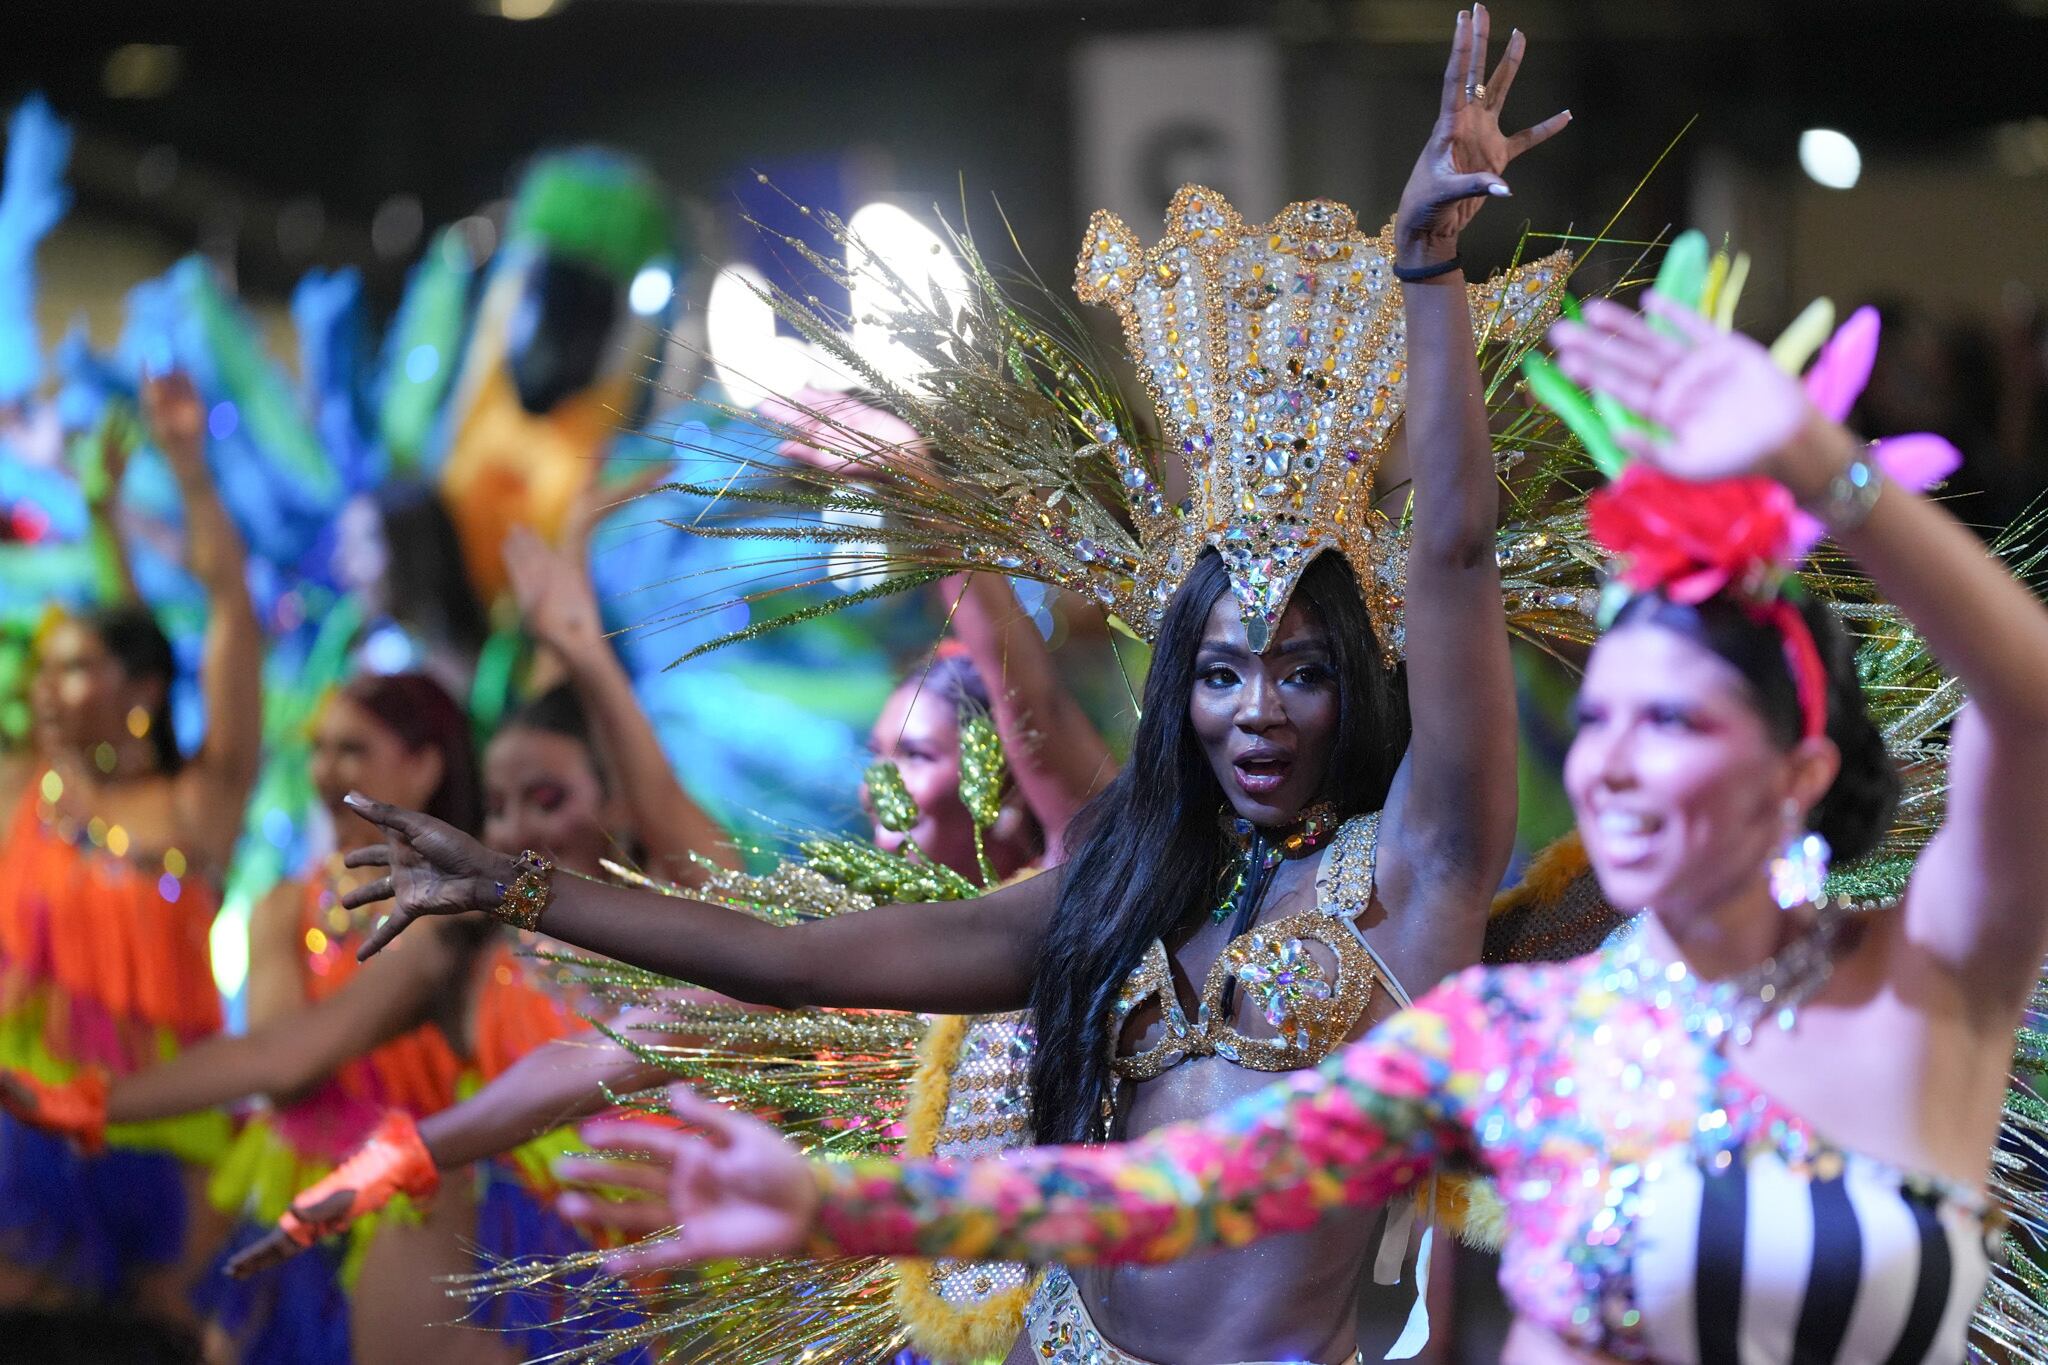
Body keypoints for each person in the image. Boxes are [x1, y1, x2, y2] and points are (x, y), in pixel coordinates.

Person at [307, 10, 1574, 1360]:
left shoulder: (1420, 864)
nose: (1256, 709)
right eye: (1218, 672)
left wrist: (1428, 265)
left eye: (1301, 671)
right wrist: (515, 886)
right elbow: (789, 964)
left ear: (1359, 684)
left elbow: (1450, 547)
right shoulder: (1125, 883)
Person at [563, 282, 2048, 1365]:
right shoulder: (1522, 1048)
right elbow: (1152, 1194)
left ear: (1797, 765)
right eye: (1596, 721)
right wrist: (835, 1197)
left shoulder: (1929, 982)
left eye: (1670, 721)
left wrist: (1823, 473)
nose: (1608, 766)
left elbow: (2029, 704)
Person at [0, 372, 262, 1327]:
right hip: (19, 1115)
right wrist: (100, 518)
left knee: (163, 1335)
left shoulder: (199, 802)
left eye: (76, 667)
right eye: (48, 667)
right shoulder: (28, 787)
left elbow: (229, 605)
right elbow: (118, 639)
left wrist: (189, 469)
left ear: (140, 685)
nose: (50, 684)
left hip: (169, 1119)